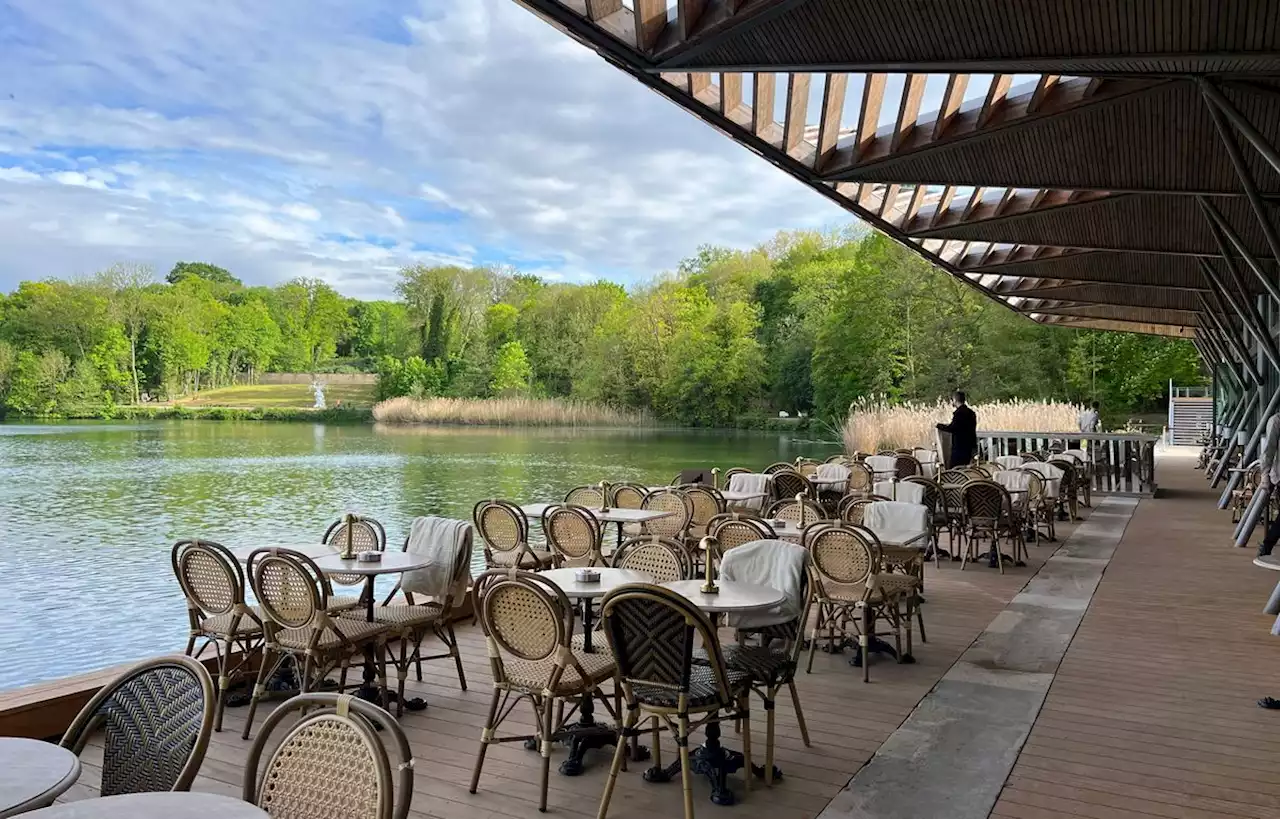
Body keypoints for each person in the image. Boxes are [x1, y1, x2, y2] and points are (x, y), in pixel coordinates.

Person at [1256, 412, 1280, 557]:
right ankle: (1267, 545)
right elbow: (1268, 451)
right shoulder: (1277, 420)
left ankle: (1267, 545)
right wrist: (1265, 475)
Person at [937, 390, 977, 467]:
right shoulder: (971, 413)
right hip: (970, 445)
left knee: (955, 468)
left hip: (959, 446)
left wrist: (939, 426)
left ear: (954, 400)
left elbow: (953, 428)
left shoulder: (959, 413)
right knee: (967, 468)